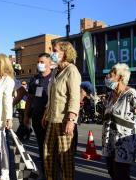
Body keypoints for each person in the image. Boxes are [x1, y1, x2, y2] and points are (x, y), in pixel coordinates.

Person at [42, 41, 81, 180]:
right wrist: (46, 112)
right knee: (47, 154)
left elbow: (75, 97)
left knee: (65, 159)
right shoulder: (55, 71)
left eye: (55, 50)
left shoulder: (72, 70)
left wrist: (71, 120)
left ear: (65, 53)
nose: (52, 53)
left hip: (64, 121)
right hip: (52, 119)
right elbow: (52, 95)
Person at [102, 63, 136, 180]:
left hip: (124, 142)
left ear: (120, 78)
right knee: (112, 172)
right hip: (109, 141)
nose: (107, 76)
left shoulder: (131, 94)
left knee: (121, 174)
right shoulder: (111, 95)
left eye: (111, 73)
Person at [23, 53, 52, 178]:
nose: (39, 64)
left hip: (50, 118)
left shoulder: (55, 77)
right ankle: (45, 172)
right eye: (38, 62)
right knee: (41, 146)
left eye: (42, 62)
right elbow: (29, 98)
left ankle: (53, 172)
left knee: (50, 147)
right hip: (36, 117)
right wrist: (26, 115)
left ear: (49, 63)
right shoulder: (34, 79)